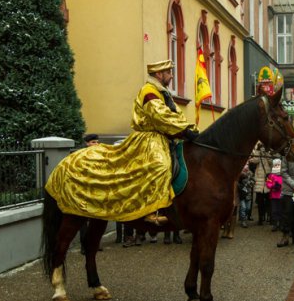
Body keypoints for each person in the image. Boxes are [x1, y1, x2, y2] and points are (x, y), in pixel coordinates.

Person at [45, 59, 198, 225]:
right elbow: (160, 115)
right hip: (149, 138)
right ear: (159, 74)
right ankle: (149, 210)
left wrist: (188, 128)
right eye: (169, 73)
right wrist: (183, 130)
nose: (172, 76)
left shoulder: (163, 92)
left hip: (164, 137)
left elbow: (175, 114)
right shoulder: (149, 91)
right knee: (159, 165)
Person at [249, 142, 275, 226]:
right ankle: (261, 218)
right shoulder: (257, 153)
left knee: (269, 201)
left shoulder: (269, 152)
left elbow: (272, 163)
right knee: (260, 202)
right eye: (261, 147)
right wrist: (258, 153)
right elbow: (254, 161)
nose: (263, 148)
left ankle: (270, 217)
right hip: (259, 181)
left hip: (268, 180)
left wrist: (266, 154)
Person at [265, 159, 283, 232]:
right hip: (274, 195)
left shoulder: (283, 174)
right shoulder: (271, 175)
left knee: (281, 210)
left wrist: (280, 186)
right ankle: (275, 224)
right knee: (274, 210)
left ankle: (281, 224)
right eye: (276, 165)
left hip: (281, 195)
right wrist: (273, 186)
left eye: (278, 165)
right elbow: (268, 183)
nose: (277, 166)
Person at [237, 163, 255, 228]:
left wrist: (248, 184)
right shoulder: (239, 172)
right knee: (243, 208)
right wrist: (240, 186)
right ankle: (243, 221)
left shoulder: (250, 173)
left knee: (248, 208)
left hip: (248, 194)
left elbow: (253, 181)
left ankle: (244, 217)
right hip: (242, 194)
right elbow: (237, 182)